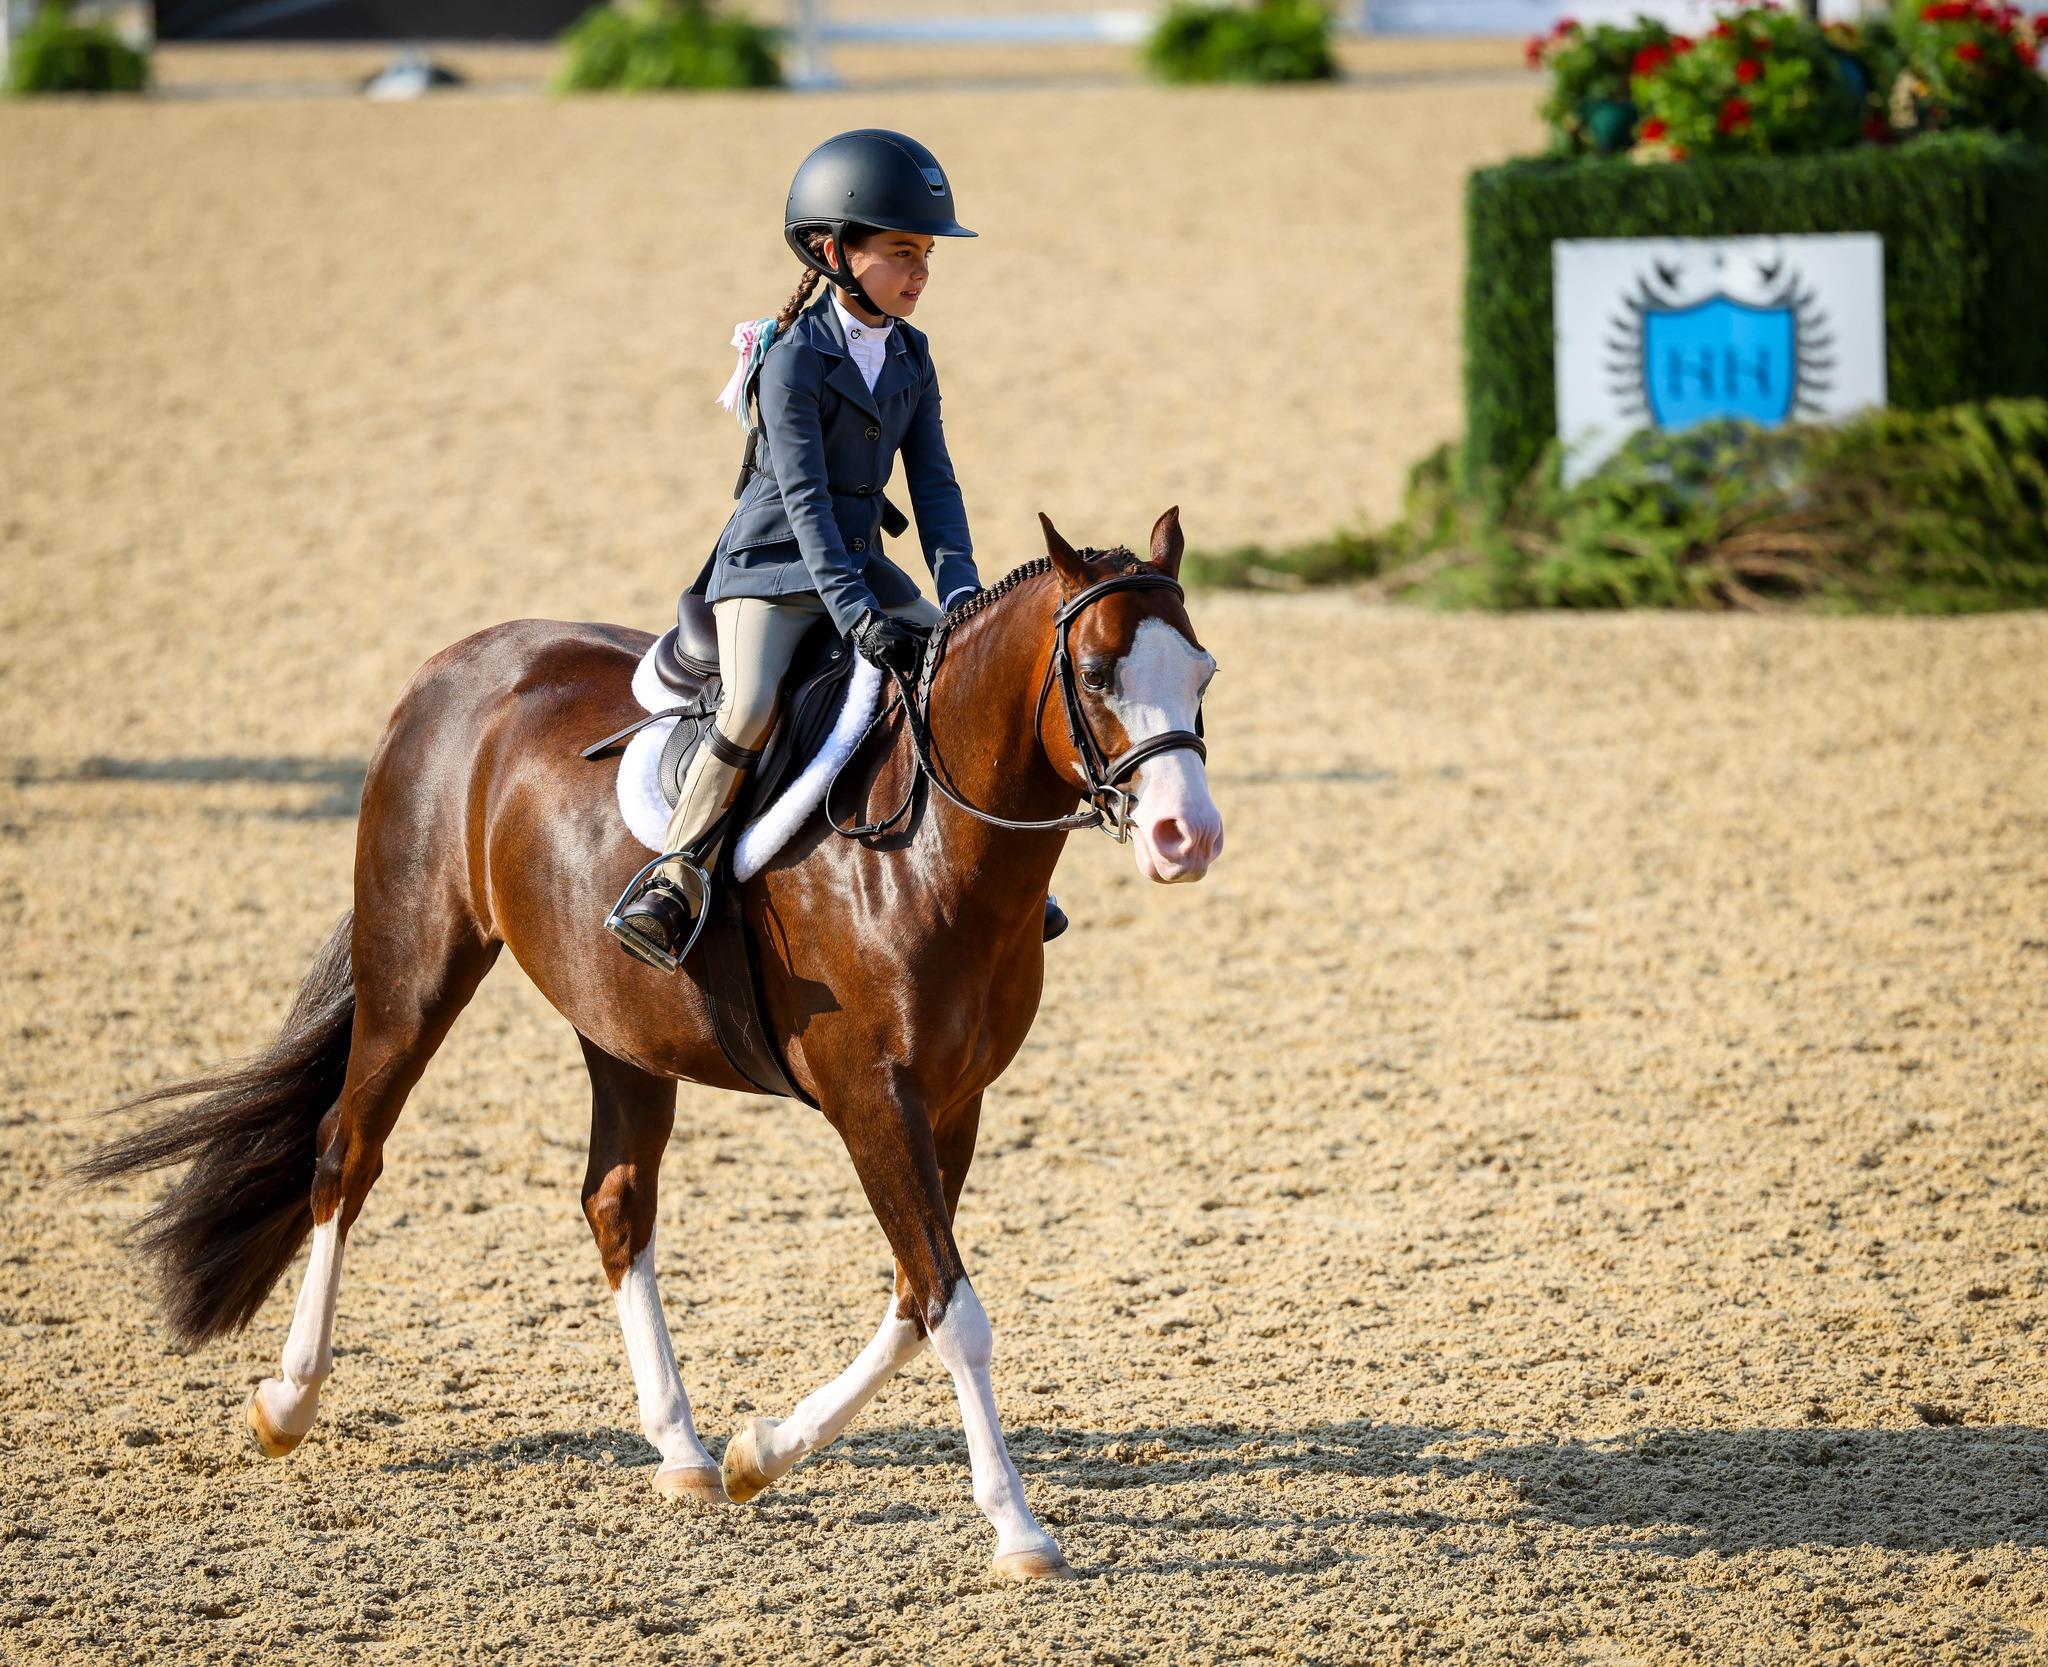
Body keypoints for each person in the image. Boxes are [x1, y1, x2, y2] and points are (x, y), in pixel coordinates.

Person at [608, 128, 1067, 969]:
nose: (921, 271)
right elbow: (809, 503)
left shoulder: (912, 354)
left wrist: (962, 589)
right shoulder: (792, 361)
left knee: (968, 670)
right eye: (901, 252)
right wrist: (859, 616)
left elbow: (936, 484)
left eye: (926, 253)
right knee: (750, 705)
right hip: (772, 571)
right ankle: (672, 878)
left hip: (858, 565)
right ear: (833, 249)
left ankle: (998, 867)